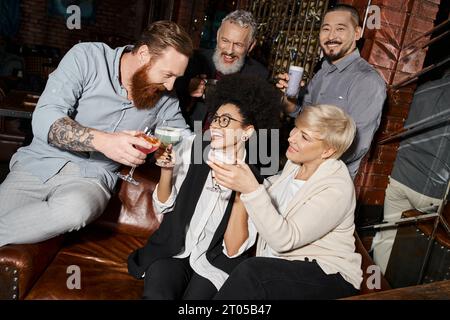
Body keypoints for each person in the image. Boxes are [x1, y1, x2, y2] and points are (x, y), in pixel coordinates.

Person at [0, 21, 193, 247]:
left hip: (92, 179)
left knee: (75, 210)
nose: (170, 86)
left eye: (176, 78)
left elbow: (184, 140)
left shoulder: (165, 99)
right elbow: (45, 120)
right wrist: (103, 142)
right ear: (143, 54)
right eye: (167, 74)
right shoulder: (87, 57)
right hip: (37, 165)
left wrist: (223, 150)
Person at [127, 74, 281, 299]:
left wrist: (241, 191)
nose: (217, 125)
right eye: (216, 118)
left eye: (226, 121)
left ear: (247, 132)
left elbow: (233, 249)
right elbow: (163, 205)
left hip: (214, 264)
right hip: (174, 250)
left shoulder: (256, 180)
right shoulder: (193, 150)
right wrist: (167, 170)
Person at [209, 104, 362, 300]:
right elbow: (271, 189)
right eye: (296, 127)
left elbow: (284, 240)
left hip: (328, 275)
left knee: (252, 274)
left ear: (327, 151)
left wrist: (251, 189)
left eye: (304, 137)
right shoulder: (296, 163)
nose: (292, 137)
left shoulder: (337, 188)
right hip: (281, 266)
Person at [276, 4, 386, 178]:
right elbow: (301, 115)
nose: (331, 36)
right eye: (326, 29)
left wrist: (311, 158)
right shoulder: (323, 72)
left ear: (357, 33)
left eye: (340, 29)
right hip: (299, 169)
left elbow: (358, 145)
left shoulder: (367, 80)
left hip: (327, 179)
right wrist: (288, 99)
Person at [372, 68, 450, 274]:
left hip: (399, 177)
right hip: (431, 189)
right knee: (421, 251)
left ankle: (380, 287)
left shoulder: (424, 89)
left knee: (386, 237)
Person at [175, 10, 268, 130]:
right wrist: (187, 87)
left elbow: (260, 126)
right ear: (218, 36)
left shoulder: (259, 75)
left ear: (251, 46)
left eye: (238, 44)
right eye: (225, 41)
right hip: (190, 135)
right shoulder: (195, 59)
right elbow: (168, 96)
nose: (229, 51)